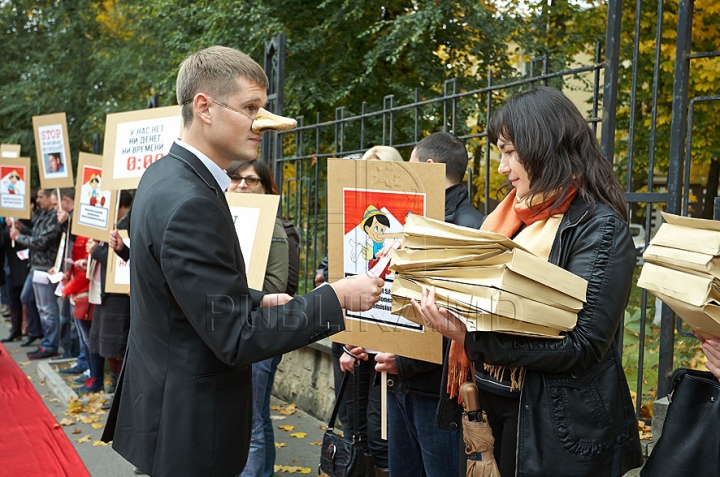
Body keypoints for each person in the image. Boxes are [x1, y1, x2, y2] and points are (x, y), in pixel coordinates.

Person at [101, 45, 383, 477]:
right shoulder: (191, 199)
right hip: (192, 432)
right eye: (251, 107)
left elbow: (182, 289)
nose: (263, 122)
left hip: (170, 414)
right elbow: (236, 339)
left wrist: (254, 299)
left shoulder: (164, 176)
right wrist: (334, 298)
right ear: (204, 108)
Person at [415, 86, 644, 476]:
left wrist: (470, 339)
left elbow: (582, 345)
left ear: (542, 145)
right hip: (489, 410)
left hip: (556, 430)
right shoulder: (510, 220)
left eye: (508, 151)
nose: (502, 167)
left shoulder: (600, 228)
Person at [367, 132, 483, 477]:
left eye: (410, 165)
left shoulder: (466, 228)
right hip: (407, 381)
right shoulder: (418, 220)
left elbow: (462, 321)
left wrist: (403, 359)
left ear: (429, 168)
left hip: (438, 393)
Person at [226, 159, 289, 477]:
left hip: (259, 330)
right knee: (252, 415)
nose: (241, 185)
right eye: (235, 178)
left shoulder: (273, 226)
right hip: (233, 326)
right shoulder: (225, 220)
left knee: (252, 418)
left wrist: (231, 290)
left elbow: (276, 287)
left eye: (252, 181)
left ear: (267, 189)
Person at [10, 188, 63, 359]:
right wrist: (23, 229)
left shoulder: (54, 217)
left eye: (41, 197)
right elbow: (36, 235)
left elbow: (42, 242)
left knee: (47, 308)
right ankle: (41, 335)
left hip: (45, 266)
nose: (38, 200)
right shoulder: (43, 214)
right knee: (32, 301)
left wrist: (19, 237)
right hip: (36, 265)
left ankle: (50, 344)